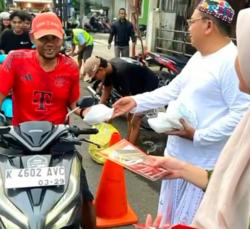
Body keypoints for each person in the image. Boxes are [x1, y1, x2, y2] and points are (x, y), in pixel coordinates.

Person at [112, 0, 250, 225]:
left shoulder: (230, 62)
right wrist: (136, 102)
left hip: (199, 169)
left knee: (186, 222)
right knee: (167, 220)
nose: (187, 27)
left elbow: (242, 115)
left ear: (208, 26)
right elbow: (173, 90)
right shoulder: (200, 57)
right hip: (176, 162)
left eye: (191, 21)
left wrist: (197, 135)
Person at [0, 12, 96, 229]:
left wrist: (90, 113)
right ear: (33, 37)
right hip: (19, 139)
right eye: (44, 38)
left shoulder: (70, 67)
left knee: (83, 196)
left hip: (59, 139)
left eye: (54, 38)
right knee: (6, 196)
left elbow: (74, 105)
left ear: (62, 38)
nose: (50, 43)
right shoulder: (16, 60)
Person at [83, 56, 159, 145]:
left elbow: (129, 102)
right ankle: (128, 140)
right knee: (128, 117)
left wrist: (111, 115)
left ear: (100, 69)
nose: (95, 79)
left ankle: (130, 147)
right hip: (135, 84)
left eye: (95, 76)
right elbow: (106, 91)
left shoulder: (121, 73)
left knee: (134, 120)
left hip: (148, 87)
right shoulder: (109, 68)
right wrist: (100, 112)